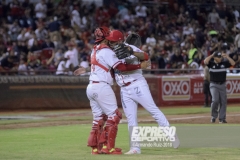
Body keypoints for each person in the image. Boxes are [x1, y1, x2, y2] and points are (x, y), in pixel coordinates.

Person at [74, 27, 149, 155]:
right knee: (114, 116)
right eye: (108, 36)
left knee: (98, 118)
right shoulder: (107, 51)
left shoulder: (94, 50)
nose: (110, 39)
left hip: (91, 87)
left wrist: (85, 70)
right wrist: (139, 65)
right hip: (102, 86)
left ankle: (95, 148)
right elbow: (120, 67)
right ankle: (109, 148)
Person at [106, 30, 180, 154]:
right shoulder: (109, 53)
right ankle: (135, 148)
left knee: (153, 110)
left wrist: (132, 52)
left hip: (137, 84)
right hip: (124, 89)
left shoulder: (130, 47)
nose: (110, 42)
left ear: (119, 40)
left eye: (112, 41)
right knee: (131, 119)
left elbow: (145, 57)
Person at [204, 51, 235, 123]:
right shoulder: (211, 64)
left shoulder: (224, 64)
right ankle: (213, 116)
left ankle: (222, 118)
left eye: (220, 57)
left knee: (223, 102)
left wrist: (227, 56)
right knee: (215, 100)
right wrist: (211, 56)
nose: (220, 58)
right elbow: (205, 61)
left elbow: (233, 63)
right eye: (218, 57)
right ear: (215, 58)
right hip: (214, 84)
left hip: (222, 84)